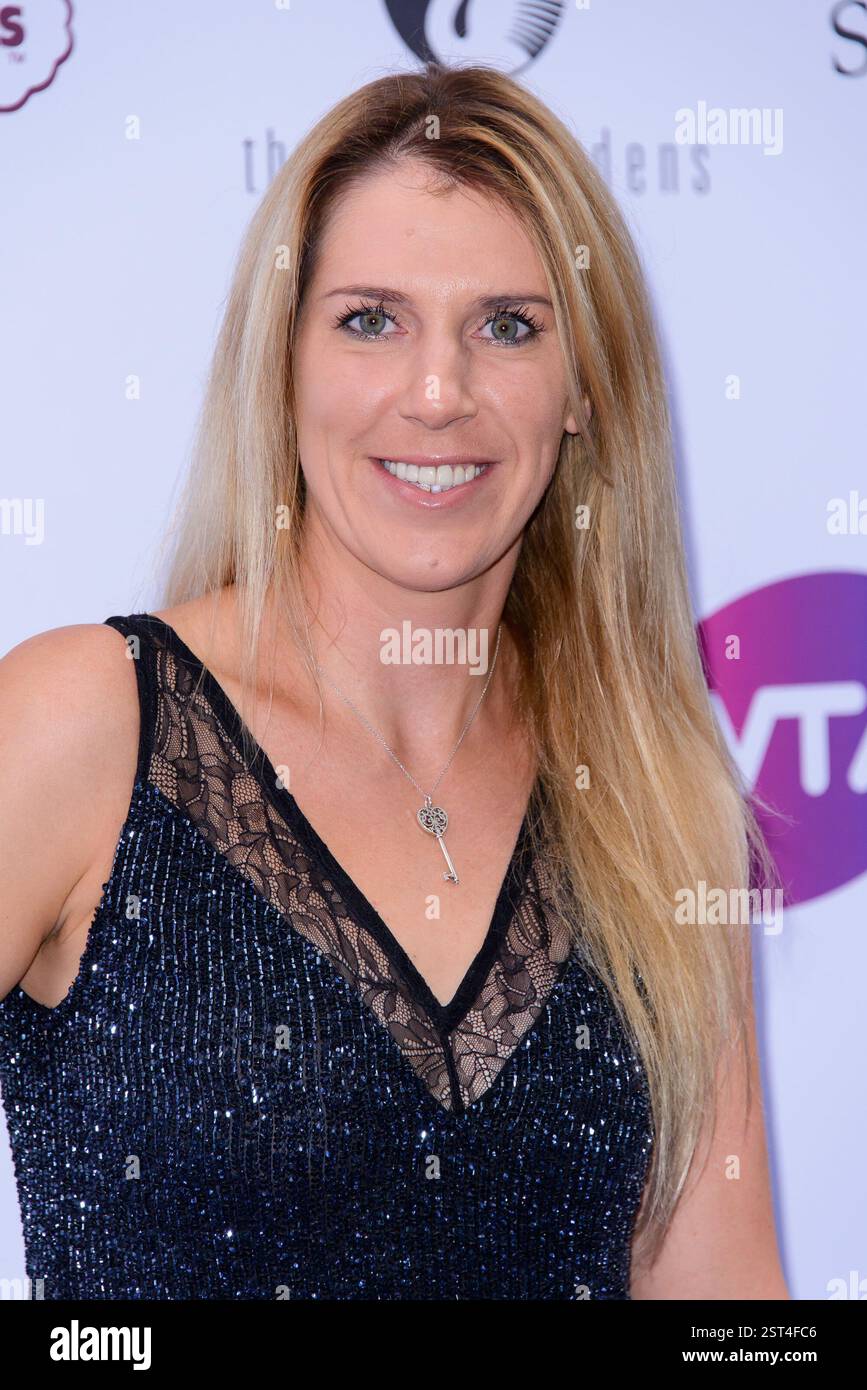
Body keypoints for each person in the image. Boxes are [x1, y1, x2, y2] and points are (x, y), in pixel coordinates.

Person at [0, 62, 789, 1300]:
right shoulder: (81, 722)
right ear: (287, 361)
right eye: (371, 318)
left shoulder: (659, 798)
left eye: (508, 326)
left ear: (585, 389)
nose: (437, 393)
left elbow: (725, 1301)